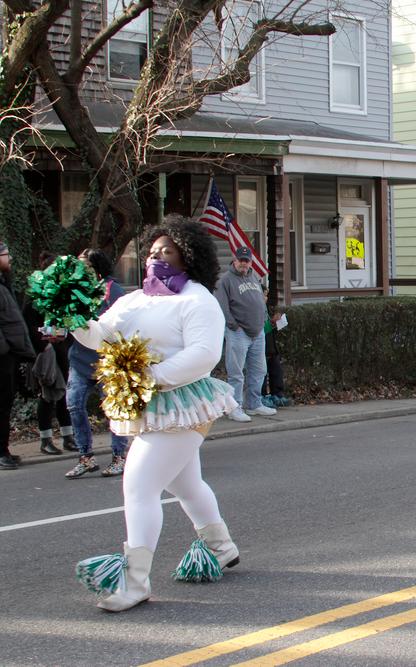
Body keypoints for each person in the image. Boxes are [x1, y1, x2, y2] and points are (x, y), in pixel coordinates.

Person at [73, 218, 240, 611]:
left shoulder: (198, 299)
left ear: (188, 255)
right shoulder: (134, 299)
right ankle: (221, 546)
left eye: (166, 251)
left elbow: (204, 355)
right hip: (149, 403)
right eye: (151, 252)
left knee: (139, 485)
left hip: (186, 402)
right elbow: (100, 336)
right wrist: (74, 320)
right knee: (185, 484)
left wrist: (153, 377)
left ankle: (134, 581)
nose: (156, 258)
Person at [64, 249, 130, 479]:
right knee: (73, 404)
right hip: (79, 360)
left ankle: (119, 456)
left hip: (106, 362)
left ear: (98, 268)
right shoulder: (73, 290)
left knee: (114, 410)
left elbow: (121, 326)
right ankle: (85, 457)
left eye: (87, 267)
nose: (81, 271)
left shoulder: (114, 291)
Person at [22, 252, 76, 456]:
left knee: (63, 393)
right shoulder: (34, 295)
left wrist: (66, 331)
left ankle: (67, 437)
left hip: (63, 350)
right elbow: (29, 325)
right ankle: (45, 439)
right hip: (45, 352)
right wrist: (50, 335)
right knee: (47, 395)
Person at [215, 246, 275, 422]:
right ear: (234, 261)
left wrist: (263, 319)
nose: (243, 263)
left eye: (246, 260)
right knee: (236, 372)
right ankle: (235, 407)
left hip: (257, 332)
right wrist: (233, 325)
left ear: (250, 262)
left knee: (259, 370)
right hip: (238, 333)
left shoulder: (253, 277)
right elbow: (222, 307)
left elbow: (259, 301)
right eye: (240, 260)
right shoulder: (225, 280)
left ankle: (254, 404)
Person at [0, 242, 36, 470]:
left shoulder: (4, 283)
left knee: (4, 405)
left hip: (9, 356)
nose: (9, 257)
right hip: (3, 357)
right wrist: (5, 349)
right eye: (5, 253)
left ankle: (4, 449)